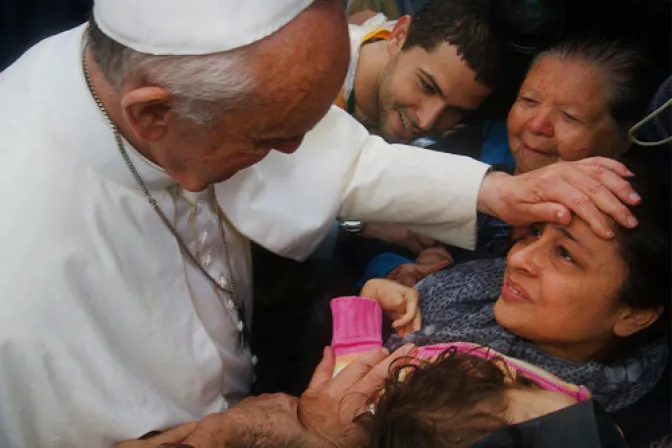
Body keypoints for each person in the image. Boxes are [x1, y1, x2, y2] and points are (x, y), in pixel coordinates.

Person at [0, 0, 642, 446]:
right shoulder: (24, 275)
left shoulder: (184, 90)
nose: (293, 155)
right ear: (151, 116)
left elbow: (343, 160)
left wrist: (499, 190)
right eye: (272, 137)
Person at [380, 160, 670, 447]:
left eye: (565, 254)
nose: (517, 258)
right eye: (535, 231)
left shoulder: (614, 432)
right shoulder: (458, 290)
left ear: (634, 315)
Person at [360, 36, 651, 285]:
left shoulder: (626, 238)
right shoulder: (469, 168)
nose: (537, 125)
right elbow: (370, 246)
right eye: (529, 101)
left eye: (570, 117)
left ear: (622, 139)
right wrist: (399, 271)